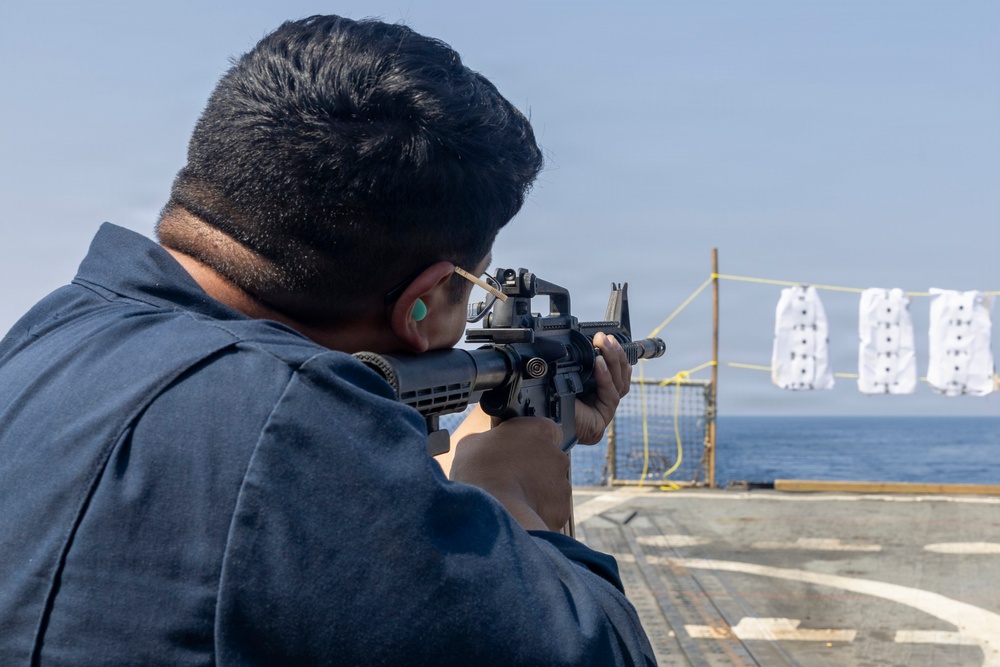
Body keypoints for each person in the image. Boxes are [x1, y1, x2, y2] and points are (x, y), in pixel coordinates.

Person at [0, 15, 656, 666]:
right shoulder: (293, 428)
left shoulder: (50, 333)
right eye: (474, 287)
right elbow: (602, 651)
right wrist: (505, 493)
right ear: (421, 302)